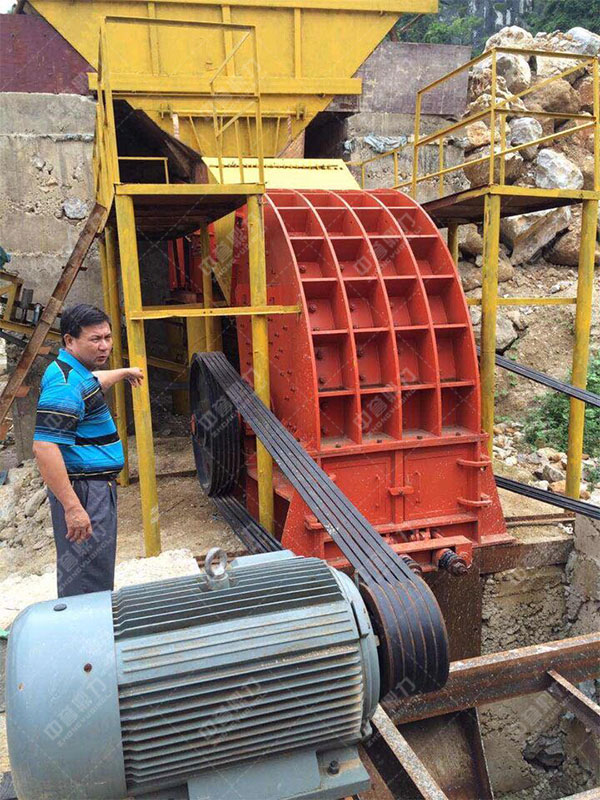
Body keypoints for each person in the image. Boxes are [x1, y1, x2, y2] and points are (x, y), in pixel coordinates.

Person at [32, 303, 143, 597]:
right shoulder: (65, 384)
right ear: (70, 340)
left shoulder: (74, 372)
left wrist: (123, 372)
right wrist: (72, 507)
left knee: (95, 573)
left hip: (92, 488)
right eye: (95, 339)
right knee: (87, 578)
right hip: (83, 491)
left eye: (107, 337)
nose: (104, 346)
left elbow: (92, 383)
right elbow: (44, 447)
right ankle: (84, 626)